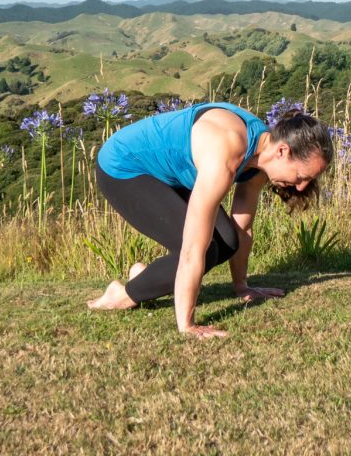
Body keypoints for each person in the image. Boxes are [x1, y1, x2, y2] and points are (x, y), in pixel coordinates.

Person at [87, 101, 334, 338]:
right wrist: (188, 325)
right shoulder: (227, 150)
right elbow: (193, 247)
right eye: (302, 176)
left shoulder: (260, 162)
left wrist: (243, 287)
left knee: (227, 242)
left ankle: (143, 276)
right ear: (283, 151)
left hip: (169, 173)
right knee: (204, 249)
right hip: (124, 166)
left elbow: (242, 229)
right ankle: (120, 294)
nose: (301, 188)